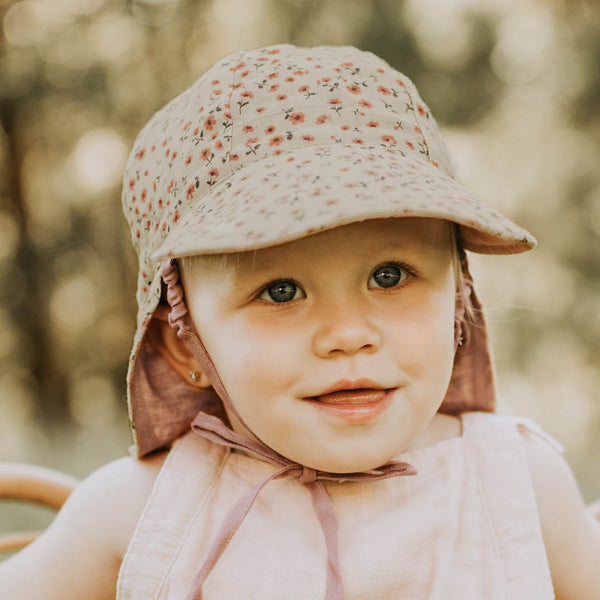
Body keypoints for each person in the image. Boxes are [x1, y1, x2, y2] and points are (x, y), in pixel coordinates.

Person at [1, 44, 599, 599]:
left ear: (459, 300)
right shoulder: (141, 512)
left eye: (390, 276)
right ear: (184, 343)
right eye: (280, 291)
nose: (347, 334)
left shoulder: (517, 486)